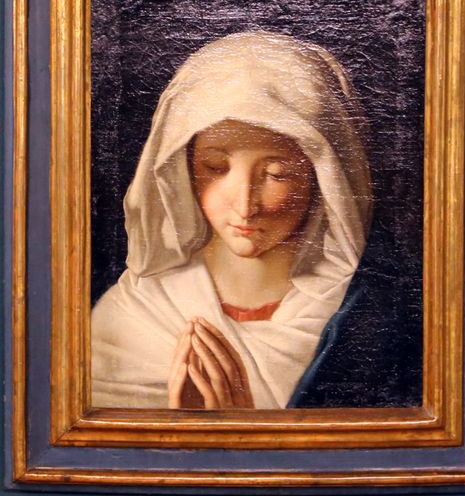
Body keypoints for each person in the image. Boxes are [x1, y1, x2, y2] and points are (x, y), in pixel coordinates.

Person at [91, 31, 372, 409]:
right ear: (183, 168)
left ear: (324, 177)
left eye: (276, 174)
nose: (244, 205)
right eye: (215, 167)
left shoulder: (358, 317)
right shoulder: (136, 311)